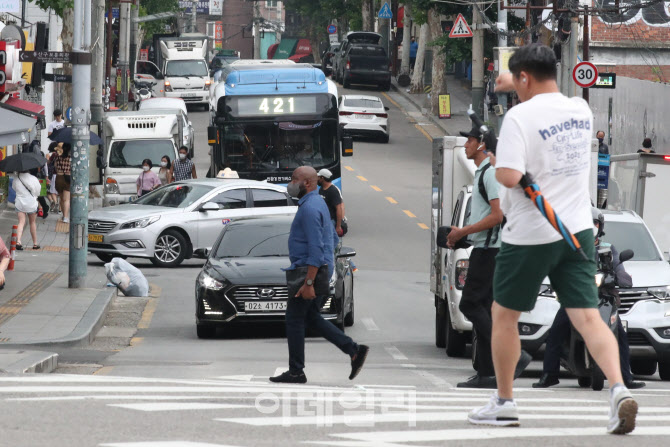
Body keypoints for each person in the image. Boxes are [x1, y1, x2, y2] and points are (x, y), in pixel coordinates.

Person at [468, 44, 637, 435]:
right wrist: (515, 81)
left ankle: (505, 401)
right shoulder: (580, 109)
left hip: (531, 232)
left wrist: (502, 161)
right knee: (588, 316)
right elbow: (536, 95)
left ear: (523, 78)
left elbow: (509, 176)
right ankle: (618, 391)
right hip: (576, 229)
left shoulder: (518, 117)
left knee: (504, 315)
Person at [447, 125, 531, 389]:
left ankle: (515, 356)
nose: (465, 145)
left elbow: (497, 215)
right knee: (482, 309)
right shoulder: (482, 172)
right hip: (485, 248)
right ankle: (485, 373)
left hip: (491, 250)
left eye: (470, 140)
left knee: (469, 305)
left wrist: (464, 230)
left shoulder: (491, 174)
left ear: (482, 144)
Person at [270, 166, 369, 384]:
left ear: (307, 183)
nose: (290, 183)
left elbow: (315, 248)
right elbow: (331, 240)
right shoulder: (317, 203)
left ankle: (296, 371)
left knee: (294, 319)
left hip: (309, 271)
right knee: (310, 318)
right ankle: (353, 350)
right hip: (318, 270)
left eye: (294, 179)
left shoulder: (309, 209)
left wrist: (308, 282)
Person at [533, 208, 645, 390]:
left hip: (604, 298)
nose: (591, 227)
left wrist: (619, 278)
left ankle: (627, 377)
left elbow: (620, 270)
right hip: (575, 298)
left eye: (595, 223)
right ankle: (549, 375)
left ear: (600, 227)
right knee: (555, 331)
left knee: (621, 334)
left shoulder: (608, 249)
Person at [13, 170, 41, 250]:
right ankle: (35, 243)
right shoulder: (33, 178)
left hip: (20, 203)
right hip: (31, 203)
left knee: (21, 222)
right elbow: (38, 192)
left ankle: (18, 241)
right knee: (32, 222)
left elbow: (14, 188)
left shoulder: (16, 178)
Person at [317, 169, 344, 237]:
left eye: (318, 177)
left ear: (322, 178)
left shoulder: (333, 191)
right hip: (323, 221)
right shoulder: (321, 189)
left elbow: (339, 208)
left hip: (330, 222)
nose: (317, 179)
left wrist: (338, 226)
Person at [54, 143, 71, 223]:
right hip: (68, 178)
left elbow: (56, 167)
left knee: (61, 198)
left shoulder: (58, 158)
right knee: (66, 199)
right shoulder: (71, 158)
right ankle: (65, 217)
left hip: (59, 178)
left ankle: (64, 215)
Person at [46, 142, 60, 214]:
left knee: (52, 191)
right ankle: (56, 205)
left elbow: (48, 163)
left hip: (53, 175)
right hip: (60, 175)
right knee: (57, 192)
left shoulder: (53, 154)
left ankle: (55, 202)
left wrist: (47, 158)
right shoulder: (60, 154)